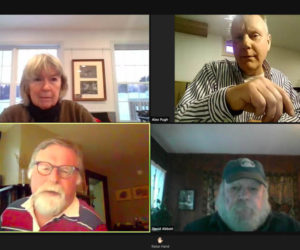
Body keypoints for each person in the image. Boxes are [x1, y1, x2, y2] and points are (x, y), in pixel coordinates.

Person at [175, 15, 300, 122]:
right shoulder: (212, 71)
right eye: (238, 38)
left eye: (254, 35)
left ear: (268, 42)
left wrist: (276, 124)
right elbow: (178, 118)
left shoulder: (282, 80)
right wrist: (227, 100)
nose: (245, 44)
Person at [0, 138, 107, 231]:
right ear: (30, 172)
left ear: (77, 179)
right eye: (45, 168)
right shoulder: (10, 212)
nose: (53, 178)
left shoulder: (94, 226)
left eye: (65, 170)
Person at [184, 158, 300, 232]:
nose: (244, 196)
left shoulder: (289, 228)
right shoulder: (195, 230)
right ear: (223, 193)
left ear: (264, 194)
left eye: (253, 188)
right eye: (235, 188)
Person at [0, 54, 96, 122]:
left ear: (62, 84)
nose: (46, 87)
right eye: (37, 79)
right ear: (26, 86)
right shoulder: (10, 116)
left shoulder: (76, 112)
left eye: (53, 79)